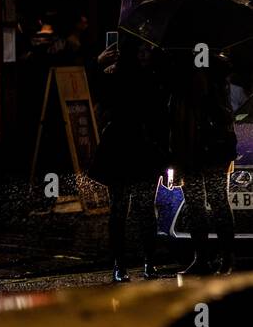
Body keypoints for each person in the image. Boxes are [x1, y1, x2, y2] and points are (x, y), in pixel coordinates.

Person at [91, 36, 167, 282]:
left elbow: (98, 93)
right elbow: (161, 120)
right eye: (142, 49)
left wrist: (97, 64)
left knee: (120, 210)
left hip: (122, 149)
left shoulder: (117, 78)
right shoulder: (152, 78)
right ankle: (147, 263)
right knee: (142, 209)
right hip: (142, 150)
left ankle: (121, 266)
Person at [167, 49, 237, 276]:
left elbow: (223, 118)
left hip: (210, 149)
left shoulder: (214, 75)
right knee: (198, 204)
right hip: (193, 150)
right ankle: (204, 257)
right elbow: (177, 121)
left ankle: (224, 257)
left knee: (216, 201)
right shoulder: (183, 74)